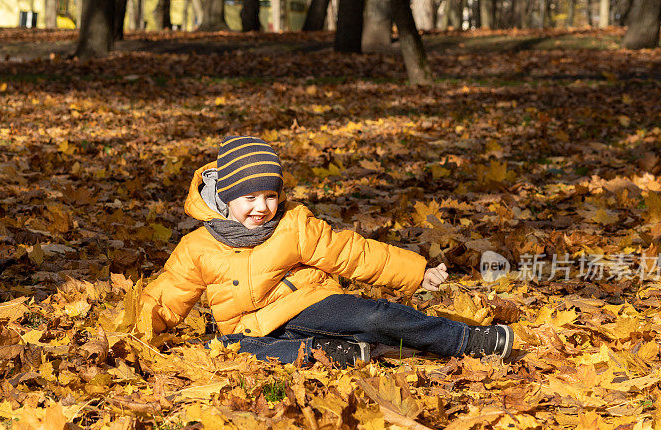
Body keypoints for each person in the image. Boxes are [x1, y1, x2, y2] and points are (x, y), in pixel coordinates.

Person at [137, 136, 513, 367]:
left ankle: (468, 342)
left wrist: (415, 272)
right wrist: (138, 337)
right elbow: (168, 296)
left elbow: (351, 252)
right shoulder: (197, 247)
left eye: (270, 196)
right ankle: (331, 352)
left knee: (374, 316)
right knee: (227, 347)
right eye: (249, 197)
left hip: (308, 304)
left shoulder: (293, 225)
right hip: (250, 332)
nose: (261, 207)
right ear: (226, 196)